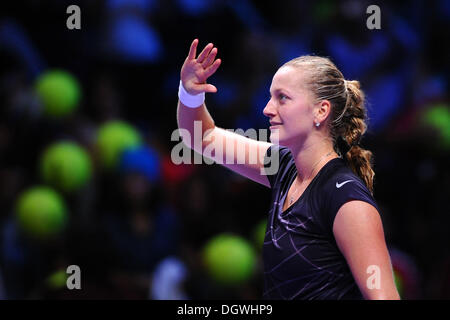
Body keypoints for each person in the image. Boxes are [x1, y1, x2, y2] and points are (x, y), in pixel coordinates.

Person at [176, 39, 400, 300]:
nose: (267, 109)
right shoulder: (283, 167)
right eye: (271, 97)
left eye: (282, 98)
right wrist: (190, 93)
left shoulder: (346, 199)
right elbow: (201, 137)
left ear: (321, 111)